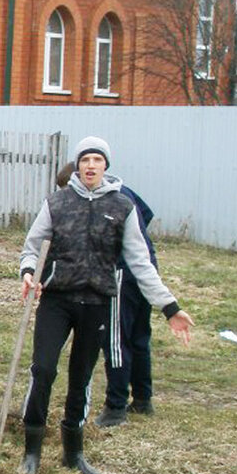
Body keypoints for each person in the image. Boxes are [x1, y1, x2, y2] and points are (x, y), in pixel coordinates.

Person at [18, 137, 193, 474]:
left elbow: (141, 263)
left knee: (81, 379)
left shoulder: (122, 206)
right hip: (57, 301)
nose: (91, 166)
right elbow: (32, 247)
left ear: (105, 166)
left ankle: (74, 452)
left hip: (96, 303)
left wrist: (170, 308)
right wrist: (28, 272)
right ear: (78, 165)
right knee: (42, 371)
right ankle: (31, 452)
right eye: (86, 160)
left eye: (97, 160)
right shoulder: (57, 202)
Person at [53, 163, 159, 428]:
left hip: (122, 271)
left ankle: (115, 407)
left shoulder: (109, 198)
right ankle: (143, 399)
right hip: (147, 268)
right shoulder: (124, 190)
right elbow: (146, 214)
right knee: (138, 335)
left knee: (115, 339)